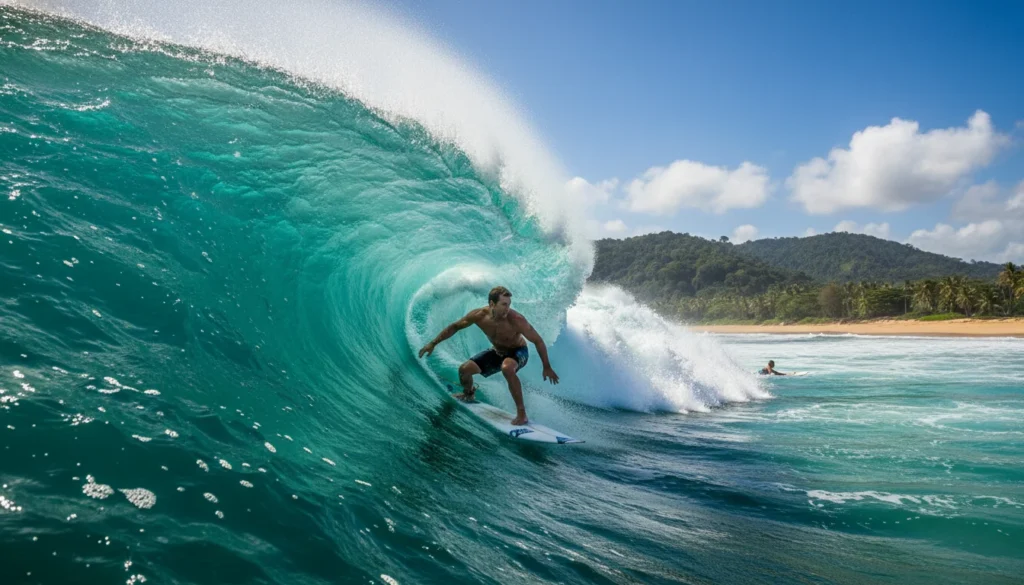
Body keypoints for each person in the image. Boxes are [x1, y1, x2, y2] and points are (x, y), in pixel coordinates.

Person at [418, 286, 559, 425]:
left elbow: (538, 340)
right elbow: (455, 326)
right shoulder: (479, 316)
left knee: (507, 368)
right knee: (464, 370)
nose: (507, 308)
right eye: (504, 304)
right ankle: (468, 394)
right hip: (497, 352)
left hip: (518, 352)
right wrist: (433, 343)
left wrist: (546, 366)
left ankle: (522, 414)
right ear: (492, 303)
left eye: (509, 305)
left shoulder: (516, 319)